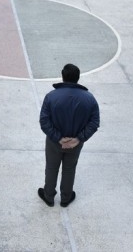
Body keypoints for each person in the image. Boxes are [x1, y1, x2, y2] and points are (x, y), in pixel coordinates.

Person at [38, 64, 99, 208]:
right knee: (69, 169)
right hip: (75, 143)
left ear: (62, 76)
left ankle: (48, 196)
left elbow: (44, 121)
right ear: (78, 78)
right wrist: (78, 139)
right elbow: (94, 122)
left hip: (54, 142)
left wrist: (58, 138)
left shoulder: (51, 97)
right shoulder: (89, 99)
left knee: (51, 167)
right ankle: (66, 197)